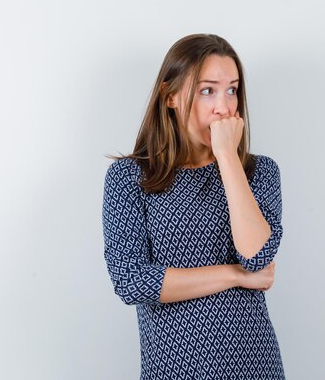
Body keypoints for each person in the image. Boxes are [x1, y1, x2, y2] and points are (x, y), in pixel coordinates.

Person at [101, 33, 285, 379]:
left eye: (232, 90)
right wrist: (235, 275)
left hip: (255, 365)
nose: (224, 107)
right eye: (207, 90)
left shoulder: (259, 173)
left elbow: (257, 257)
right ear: (169, 96)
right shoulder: (130, 178)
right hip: (174, 369)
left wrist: (227, 157)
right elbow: (132, 282)